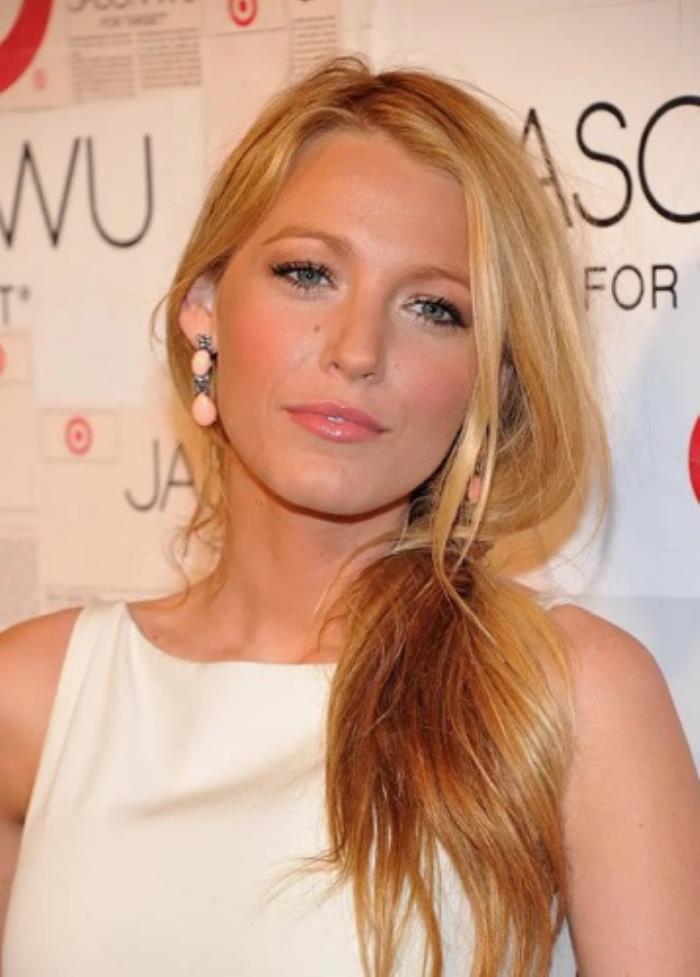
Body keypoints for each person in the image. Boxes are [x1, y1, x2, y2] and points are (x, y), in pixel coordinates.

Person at [0, 54, 698, 977]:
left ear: (491, 381)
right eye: (308, 272)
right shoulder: (33, 697)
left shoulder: (569, 696)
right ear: (204, 314)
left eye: (433, 308)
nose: (358, 349)